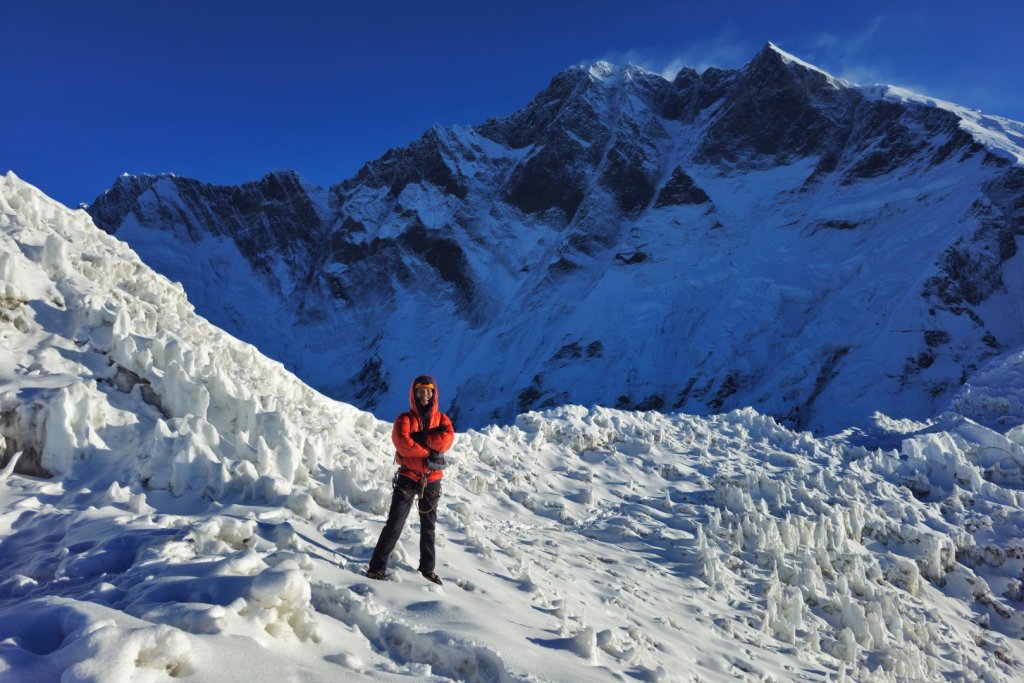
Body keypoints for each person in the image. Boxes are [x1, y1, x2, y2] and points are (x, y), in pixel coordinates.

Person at [367, 375, 455, 584]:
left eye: (428, 391)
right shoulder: (404, 419)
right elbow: (402, 443)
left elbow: (446, 441)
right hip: (409, 477)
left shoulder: (442, 419)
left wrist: (421, 440)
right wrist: (428, 451)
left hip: (431, 479)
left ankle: (427, 569)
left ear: (434, 394)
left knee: (428, 526)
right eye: (420, 391)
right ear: (414, 394)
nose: (424, 394)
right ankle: (376, 568)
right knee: (395, 523)